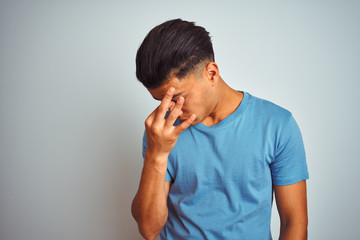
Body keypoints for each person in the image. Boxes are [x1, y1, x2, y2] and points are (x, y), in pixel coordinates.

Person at [131, 18, 309, 240]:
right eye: (161, 101)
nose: (170, 110)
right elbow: (149, 229)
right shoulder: (161, 132)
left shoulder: (277, 125)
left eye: (176, 97)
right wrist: (156, 154)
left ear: (211, 73)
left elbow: (295, 221)